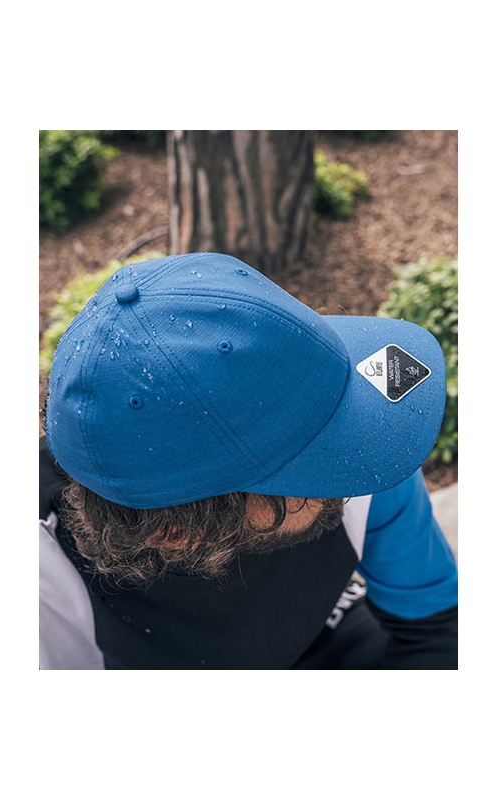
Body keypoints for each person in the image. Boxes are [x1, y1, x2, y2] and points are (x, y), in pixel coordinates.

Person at [40, 252, 458, 669]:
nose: (350, 458)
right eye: (309, 459)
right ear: (175, 534)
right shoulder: (43, 590)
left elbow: (437, 628)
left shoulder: (351, 425)